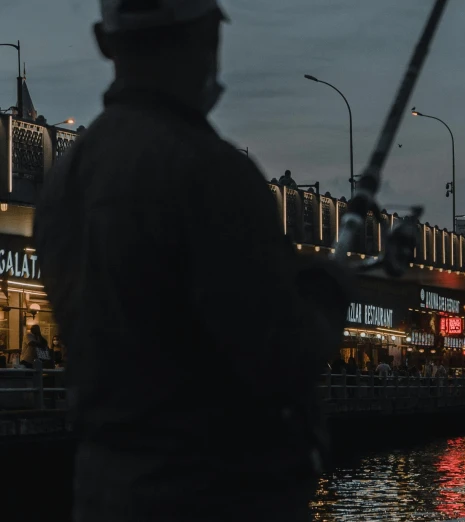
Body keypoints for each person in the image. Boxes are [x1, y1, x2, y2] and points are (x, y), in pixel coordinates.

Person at [34, 2, 350, 521]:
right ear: (207, 38)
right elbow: (282, 356)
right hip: (217, 493)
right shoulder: (212, 171)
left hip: (106, 489)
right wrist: (329, 289)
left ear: (103, 41)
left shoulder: (64, 180)